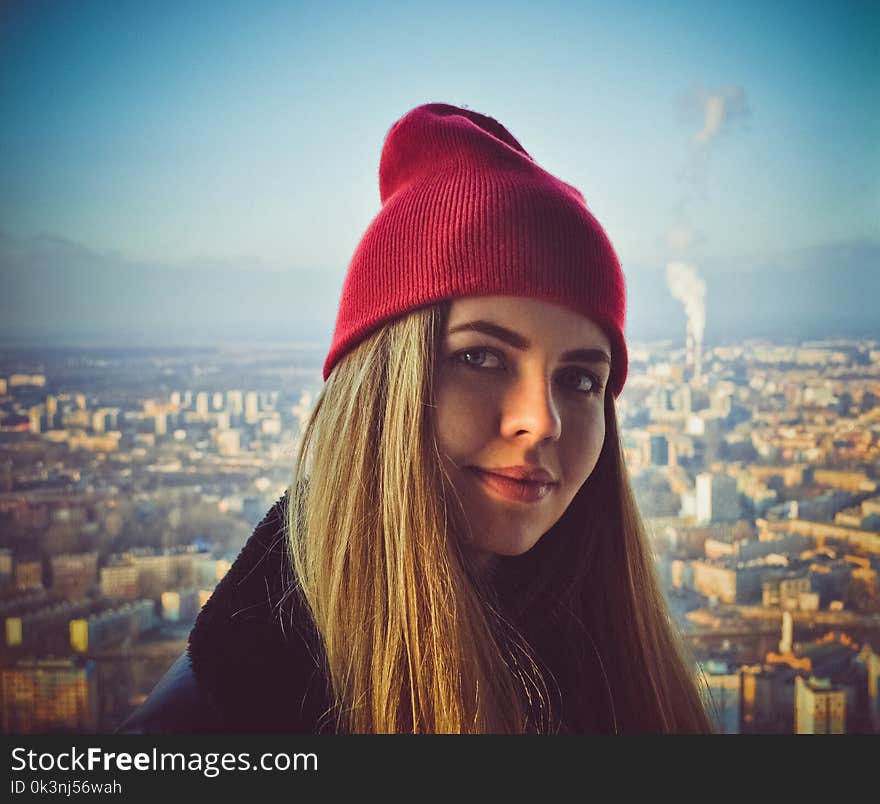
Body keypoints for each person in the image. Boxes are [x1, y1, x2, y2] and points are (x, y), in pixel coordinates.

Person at [118, 102, 713, 734]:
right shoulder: (206, 727)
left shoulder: (621, 669)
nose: (542, 422)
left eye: (579, 379)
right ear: (381, 388)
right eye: (480, 357)